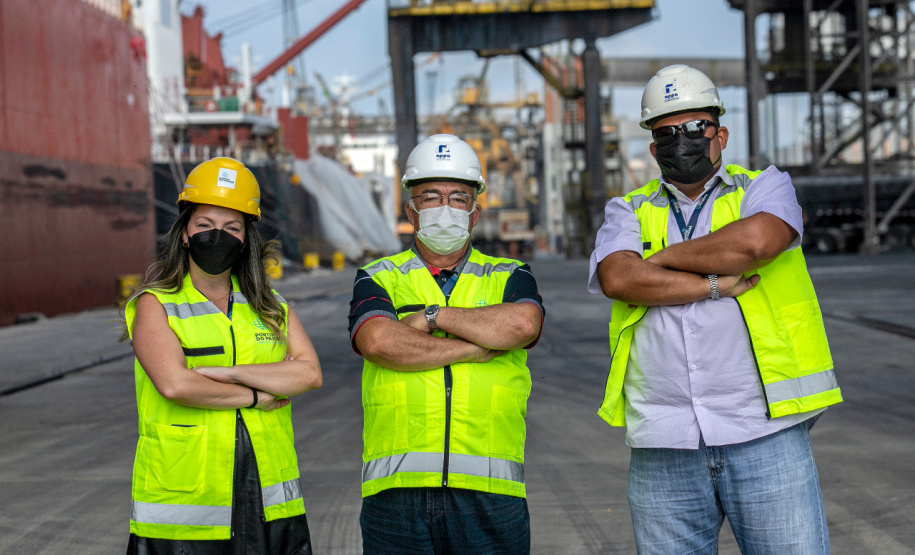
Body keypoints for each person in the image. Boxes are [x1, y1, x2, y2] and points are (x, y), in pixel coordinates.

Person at [589, 65, 843, 554]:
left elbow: (754, 245)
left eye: (693, 129)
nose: (680, 142)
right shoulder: (627, 210)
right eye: (666, 133)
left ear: (720, 134)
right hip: (664, 443)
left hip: (764, 432)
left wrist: (657, 260)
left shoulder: (764, 188)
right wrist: (712, 285)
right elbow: (619, 278)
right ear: (652, 146)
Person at [348, 134, 545, 554]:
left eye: (458, 198)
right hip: (396, 492)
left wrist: (433, 318)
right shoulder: (378, 276)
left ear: (475, 213)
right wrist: (475, 345)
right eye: (431, 197)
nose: (445, 208)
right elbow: (380, 341)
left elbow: (522, 325)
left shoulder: (509, 273)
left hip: (491, 490)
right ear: (411, 211)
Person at [120, 157, 322, 554]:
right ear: (183, 234)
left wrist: (228, 374)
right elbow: (175, 384)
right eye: (205, 226)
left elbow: (310, 374)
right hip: (183, 511)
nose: (218, 236)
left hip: (270, 502)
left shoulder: (269, 306)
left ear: (246, 238)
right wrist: (255, 394)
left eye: (232, 228)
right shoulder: (155, 305)